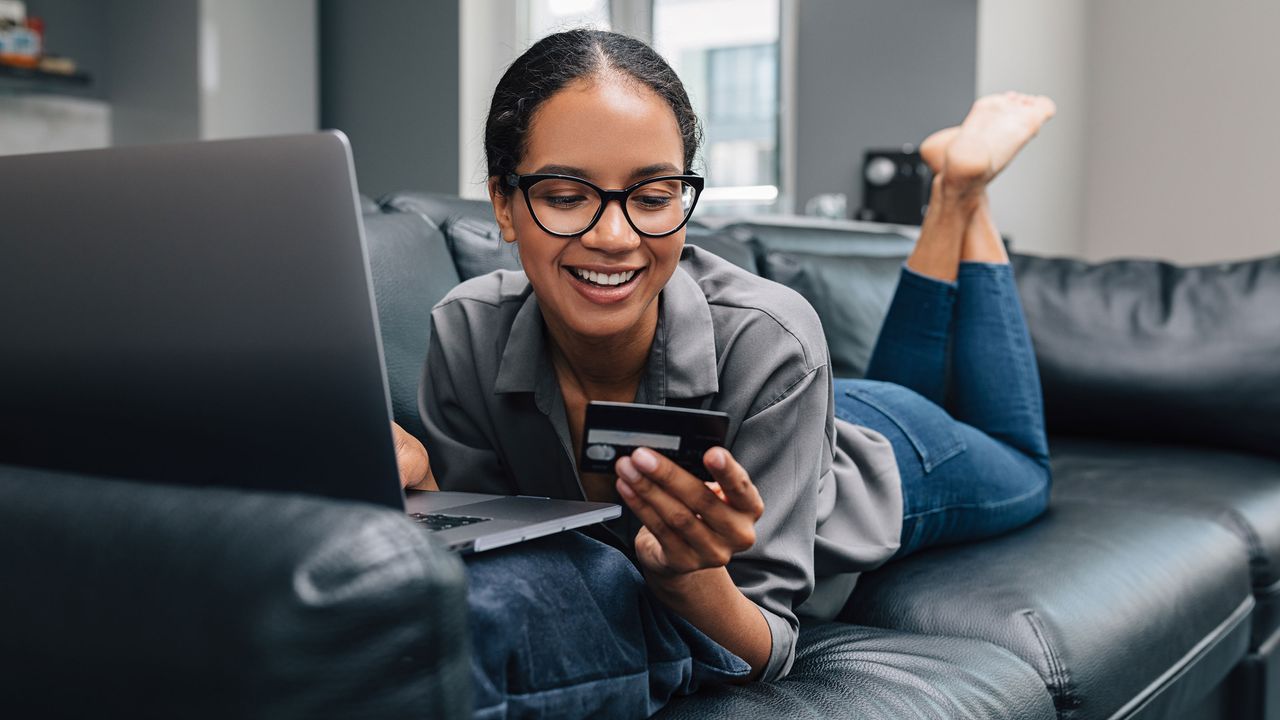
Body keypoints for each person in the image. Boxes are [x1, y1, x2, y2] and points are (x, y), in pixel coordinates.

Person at [391, 29, 1055, 683]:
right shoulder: (466, 333)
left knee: (1024, 461)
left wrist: (688, 579)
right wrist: (420, 489)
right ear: (503, 204)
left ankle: (962, 192)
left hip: (890, 453)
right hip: (797, 405)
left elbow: (767, 645)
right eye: (566, 198)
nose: (615, 237)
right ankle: (953, 197)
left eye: (653, 198)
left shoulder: (774, 337)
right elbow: (495, 546)